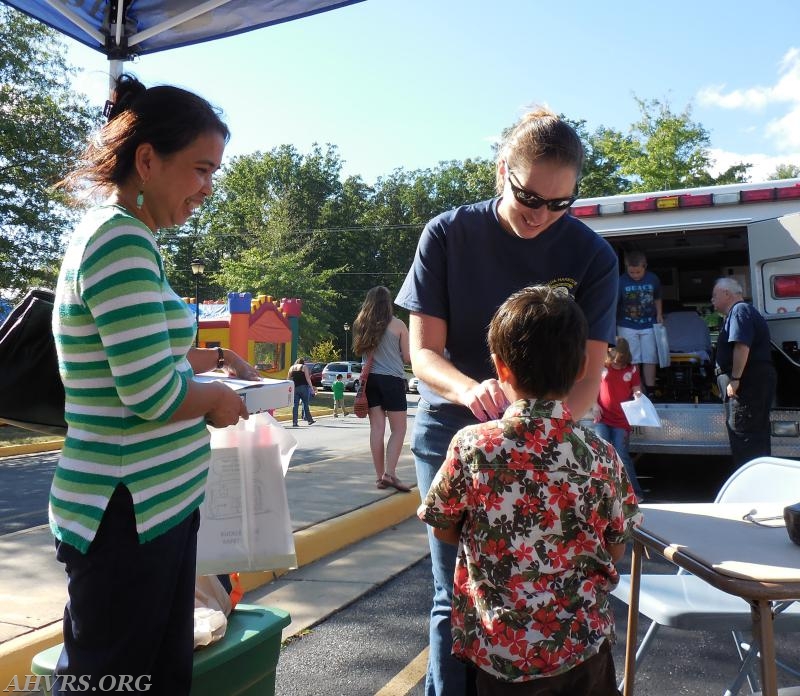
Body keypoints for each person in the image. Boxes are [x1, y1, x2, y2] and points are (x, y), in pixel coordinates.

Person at [396, 107, 619, 696]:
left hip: (550, 441)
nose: (542, 216)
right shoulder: (448, 233)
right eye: (530, 197)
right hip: (454, 431)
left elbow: (586, 381)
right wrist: (473, 391)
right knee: (455, 596)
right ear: (502, 172)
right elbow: (424, 355)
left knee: (545, 596)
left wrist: (533, 433)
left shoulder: (594, 257)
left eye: (560, 204)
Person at [51, 74, 260, 695]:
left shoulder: (130, 239)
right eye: (200, 169)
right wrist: (221, 402)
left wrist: (210, 360)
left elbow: (142, 360)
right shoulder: (118, 243)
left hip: (153, 510)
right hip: (125, 517)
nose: (207, 190)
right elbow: (152, 395)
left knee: (151, 677)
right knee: (113, 681)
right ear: (148, 160)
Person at [418, 286, 641, 696]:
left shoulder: (472, 447)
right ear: (580, 370)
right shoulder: (601, 456)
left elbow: (442, 528)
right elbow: (615, 547)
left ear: (501, 369)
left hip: (503, 653)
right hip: (581, 649)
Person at [352, 286, 412, 492]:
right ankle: (390, 473)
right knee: (399, 429)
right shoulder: (398, 325)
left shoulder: (360, 324)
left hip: (370, 381)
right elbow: (407, 357)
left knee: (377, 429)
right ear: (387, 303)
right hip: (392, 380)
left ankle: (379, 478)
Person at [711, 277, 777, 468]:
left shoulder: (740, 311)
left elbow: (741, 346)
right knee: (753, 434)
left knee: (745, 436)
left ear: (726, 293)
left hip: (747, 384)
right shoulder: (740, 312)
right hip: (752, 383)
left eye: (714, 295)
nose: (712, 300)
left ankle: (752, 488)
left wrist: (736, 379)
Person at [593, 337, 645, 501]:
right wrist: (594, 404)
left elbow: (637, 389)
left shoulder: (632, 369)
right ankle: (603, 494)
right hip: (602, 418)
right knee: (602, 453)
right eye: (614, 359)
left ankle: (635, 493)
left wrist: (638, 396)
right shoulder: (602, 366)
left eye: (619, 360)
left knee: (622, 455)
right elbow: (593, 386)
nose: (616, 363)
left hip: (622, 420)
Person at [617, 250, 663, 394]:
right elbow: (615, 303)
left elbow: (657, 297)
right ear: (626, 268)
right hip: (627, 324)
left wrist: (660, 314)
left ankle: (650, 389)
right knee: (633, 357)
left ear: (645, 266)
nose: (635, 275)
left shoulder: (653, 279)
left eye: (638, 272)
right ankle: (637, 389)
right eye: (632, 272)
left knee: (650, 356)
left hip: (649, 323)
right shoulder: (621, 281)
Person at [288, 357, 316, 427]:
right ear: (303, 362)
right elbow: (307, 378)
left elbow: (288, 379)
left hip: (295, 388)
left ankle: (295, 422)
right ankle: (309, 420)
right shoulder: (304, 367)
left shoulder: (291, 368)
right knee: (305, 404)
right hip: (304, 387)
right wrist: (311, 388)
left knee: (295, 405)